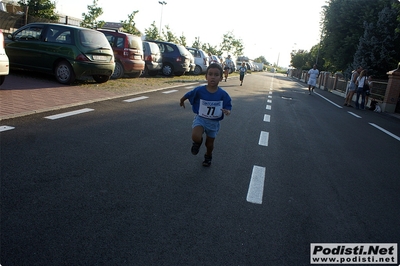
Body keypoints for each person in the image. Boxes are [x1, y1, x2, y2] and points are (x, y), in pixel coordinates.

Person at [179, 64, 232, 167]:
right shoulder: (199, 90)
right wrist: (182, 100)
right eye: (210, 74)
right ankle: (197, 142)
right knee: (195, 136)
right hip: (201, 119)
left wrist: (227, 111)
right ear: (206, 76)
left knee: (209, 144)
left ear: (221, 78)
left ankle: (208, 156)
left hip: (213, 123)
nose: (213, 77)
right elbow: (189, 94)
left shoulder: (223, 94)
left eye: (216, 75)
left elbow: (228, 106)